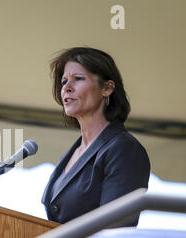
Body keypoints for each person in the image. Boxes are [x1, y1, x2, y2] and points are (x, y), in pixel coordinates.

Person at [41, 47, 150, 227]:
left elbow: (115, 229)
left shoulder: (123, 148)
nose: (67, 87)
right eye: (64, 81)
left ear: (107, 88)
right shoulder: (74, 152)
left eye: (78, 79)